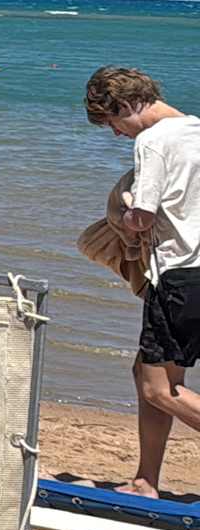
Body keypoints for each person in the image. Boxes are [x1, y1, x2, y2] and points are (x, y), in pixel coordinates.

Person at [87, 66, 200, 496]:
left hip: (178, 275)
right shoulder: (196, 130)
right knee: (147, 373)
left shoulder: (153, 140)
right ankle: (145, 480)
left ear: (124, 105)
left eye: (112, 123)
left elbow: (143, 217)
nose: (117, 133)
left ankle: (145, 481)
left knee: (159, 390)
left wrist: (124, 212)